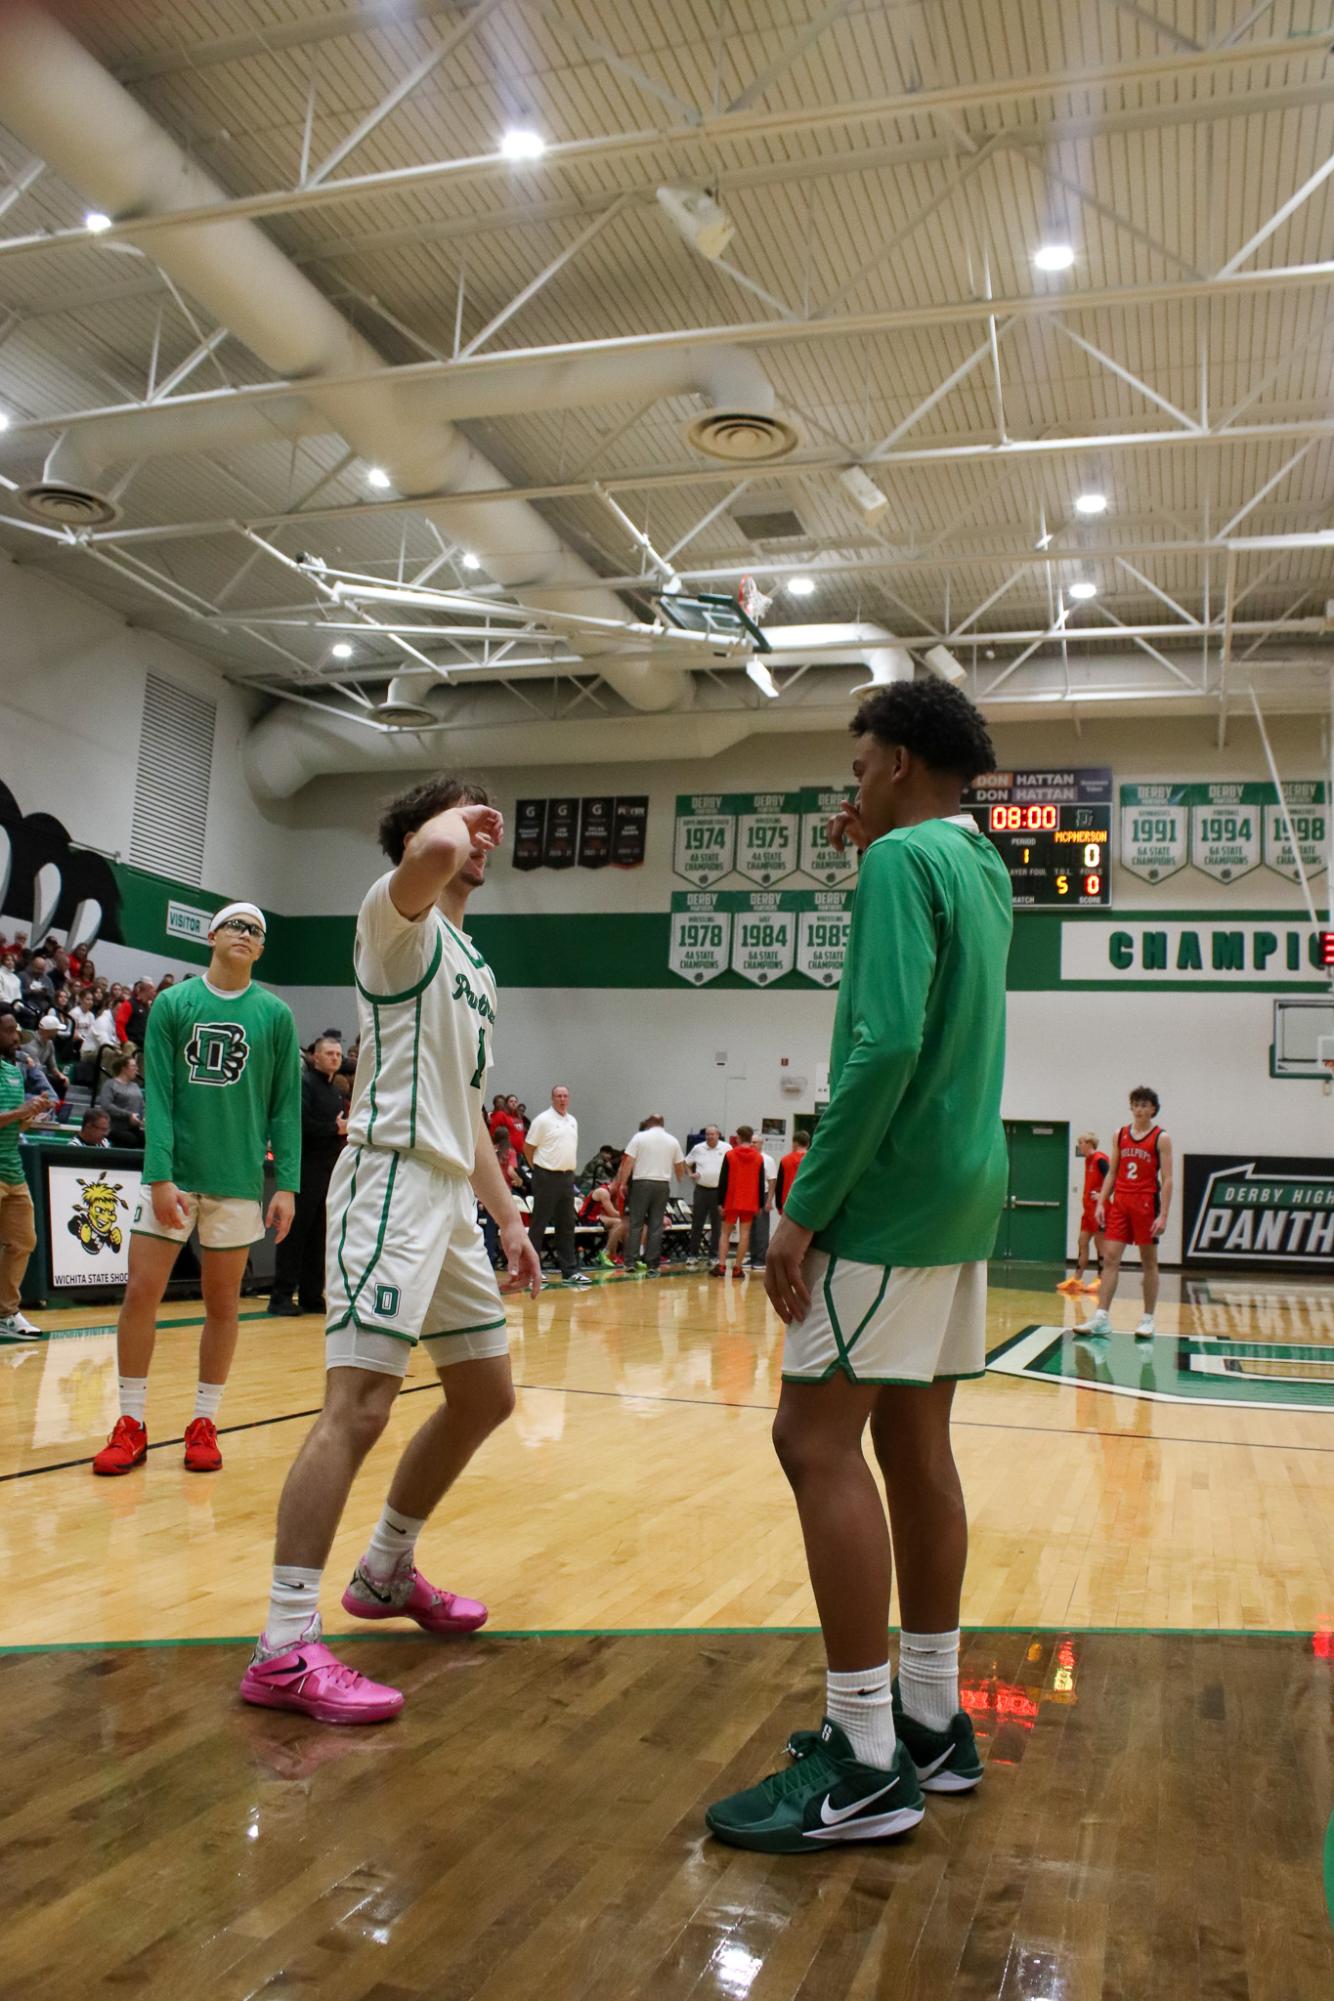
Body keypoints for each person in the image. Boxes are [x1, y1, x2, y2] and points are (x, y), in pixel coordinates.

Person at [706, 677, 1011, 1853]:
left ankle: (865, 1759)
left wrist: (804, 1205)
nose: (849, 788)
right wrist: (876, 850)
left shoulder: (899, 867)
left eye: (854, 769)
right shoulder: (978, 867)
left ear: (890, 760)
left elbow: (884, 1043)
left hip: (884, 1194)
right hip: (962, 1184)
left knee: (811, 1441)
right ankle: (931, 1723)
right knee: (916, 1445)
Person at [240, 777, 542, 1727]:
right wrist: (450, 824)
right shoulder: (394, 918)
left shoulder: (474, 965)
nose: (484, 831)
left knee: (486, 1394)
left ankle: (384, 1569)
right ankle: (285, 1644)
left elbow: (471, 1114)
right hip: (389, 1185)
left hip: (451, 1193)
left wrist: (511, 1218)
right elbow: (434, 857)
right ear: (420, 835)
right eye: (466, 813)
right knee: (359, 1404)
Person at [90, 903, 302, 1477]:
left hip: (236, 1182)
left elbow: (286, 1104)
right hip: (174, 1176)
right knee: (141, 1294)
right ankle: (131, 1422)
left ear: (261, 949)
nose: (246, 935)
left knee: (224, 1306)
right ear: (212, 935)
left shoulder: (276, 1015)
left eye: (256, 932)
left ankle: (204, 1421)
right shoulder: (174, 1004)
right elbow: (157, 1094)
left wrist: (287, 1184)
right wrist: (159, 1176)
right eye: (236, 925)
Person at [1081, 1089, 1173, 1340]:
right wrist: (1102, 1202)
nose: (1139, 1109)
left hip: (1146, 1202)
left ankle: (1148, 1319)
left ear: (1153, 1108)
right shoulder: (1119, 1134)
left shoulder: (1161, 1138)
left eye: (1144, 1105)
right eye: (1135, 1104)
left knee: (1148, 1260)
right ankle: (1101, 1317)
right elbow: (1112, 1172)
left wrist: (1163, 1214)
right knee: (1110, 1257)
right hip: (1121, 1201)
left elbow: (1167, 1178)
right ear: (1131, 1107)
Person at [268, 1037, 348, 1317]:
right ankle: (280, 1296)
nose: (335, 1058)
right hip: (302, 1169)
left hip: (326, 1170)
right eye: (329, 1053)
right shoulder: (304, 1084)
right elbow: (300, 1124)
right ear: (314, 1056)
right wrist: (335, 1129)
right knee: (295, 1234)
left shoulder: (334, 1090)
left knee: (319, 1235)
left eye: (338, 1054)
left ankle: (312, 1295)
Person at [0, 1011, 55, 1338]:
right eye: (7, 1031)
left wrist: (31, 1114)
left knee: (23, 1241)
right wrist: (21, 1111)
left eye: (15, 1031)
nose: (14, 1037)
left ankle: (6, 1312)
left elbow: (15, 1124)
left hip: (12, 1169)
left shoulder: (14, 1072)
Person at [523, 1085, 590, 1288]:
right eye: (559, 1096)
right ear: (552, 1098)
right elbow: (528, 1148)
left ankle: (569, 1271)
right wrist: (538, 1169)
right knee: (539, 1224)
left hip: (567, 1178)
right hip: (546, 1176)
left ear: (569, 1098)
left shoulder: (572, 1121)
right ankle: (533, 1271)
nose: (562, 1099)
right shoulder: (543, 1120)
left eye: (565, 1096)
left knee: (566, 1225)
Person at [614, 1115, 685, 1272]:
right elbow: (680, 1165)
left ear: (649, 1123)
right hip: (662, 1184)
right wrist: (679, 1178)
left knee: (636, 1224)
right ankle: (652, 1263)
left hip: (641, 1183)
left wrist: (623, 1183)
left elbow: (628, 1162)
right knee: (656, 1225)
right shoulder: (672, 1140)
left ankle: (630, 1262)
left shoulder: (639, 1137)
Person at [1058, 1133, 1109, 1296]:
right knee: (1082, 1241)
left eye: (1081, 1142)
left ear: (1089, 1143)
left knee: (1100, 1245)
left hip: (1099, 1209)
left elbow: (1111, 1178)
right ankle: (1077, 1278)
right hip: (1088, 1210)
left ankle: (1101, 1278)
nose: (1079, 1146)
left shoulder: (1100, 1159)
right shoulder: (1088, 1161)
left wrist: (1103, 1195)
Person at [717, 1126, 766, 1279]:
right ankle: (738, 1268)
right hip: (750, 1201)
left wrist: (720, 1202)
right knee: (745, 1235)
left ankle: (722, 1266)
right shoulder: (759, 1157)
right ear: (751, 1138)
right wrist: (760, 1204)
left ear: (738, 1137)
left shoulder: (730, 1154)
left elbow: (723, 1180)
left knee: (725, 1233)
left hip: (731, 1199)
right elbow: (760, 1182)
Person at [684, 1125, 729, 1267]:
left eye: (713, 1134)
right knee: (697, 1223)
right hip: (701, 1190)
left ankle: (713, 1256)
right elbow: (686, 1163)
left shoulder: (726, 1148)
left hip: (718, 1191)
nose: (710, 1136)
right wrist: (691, 1174)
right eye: (708, 1134)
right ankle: (693, 1255)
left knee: (716, 1225)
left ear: (718, 1134)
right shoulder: (698, 1148)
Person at [97, 1050, 145, 1148]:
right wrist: (128, 1115)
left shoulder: (135, 1086)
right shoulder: (110, 1085)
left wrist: (143, 1117)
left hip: (134, 1127)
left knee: (147, 1140)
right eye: (133, 1066)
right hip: (115, 1128)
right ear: (124, 1068)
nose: (137, 1069)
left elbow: (142, 1105)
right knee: (130, 1140)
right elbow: (106, 1106)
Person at [776, 1130, 810, 1212]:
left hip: (788, 1203)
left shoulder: (785, 1160)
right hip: (808, 1202)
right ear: (808, 1144)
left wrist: (778, 1205)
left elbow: (779, 1184)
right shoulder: (813, 1160)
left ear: (795, 1143)